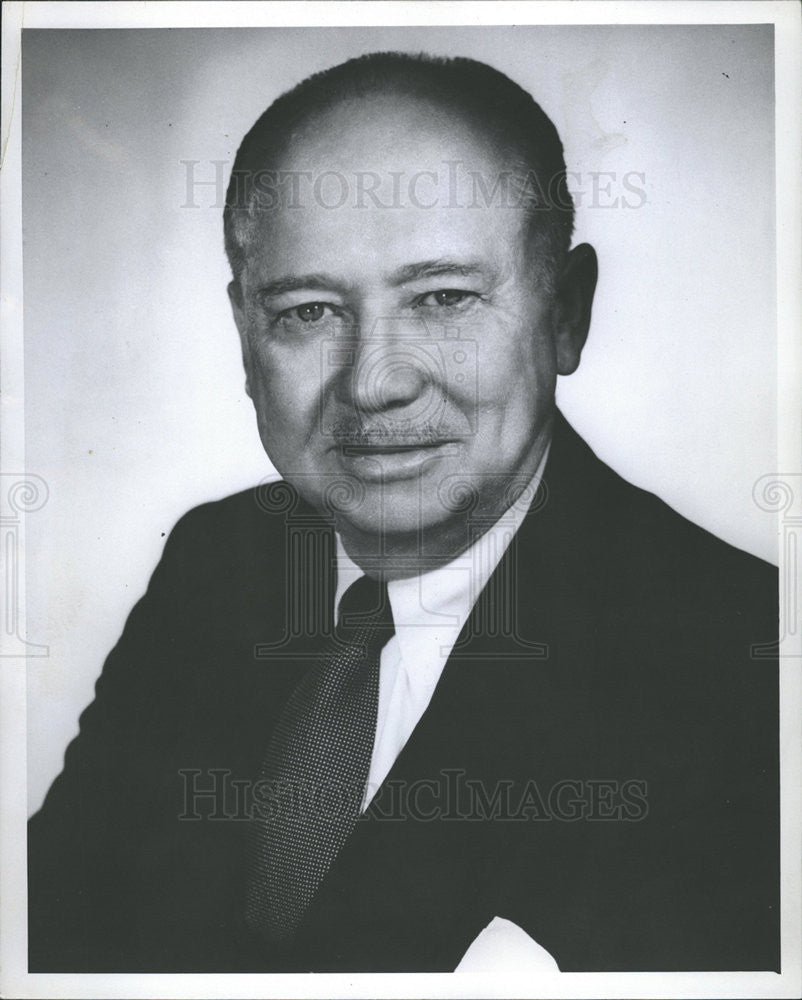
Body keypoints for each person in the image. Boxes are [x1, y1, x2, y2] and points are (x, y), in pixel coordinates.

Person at [28, 52, 779, 974]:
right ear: (244, 337)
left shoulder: (743, 659)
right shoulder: (217, 558)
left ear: (566, 315)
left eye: (443, 299)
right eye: (308, 311)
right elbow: (46, 932)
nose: (374, 382)